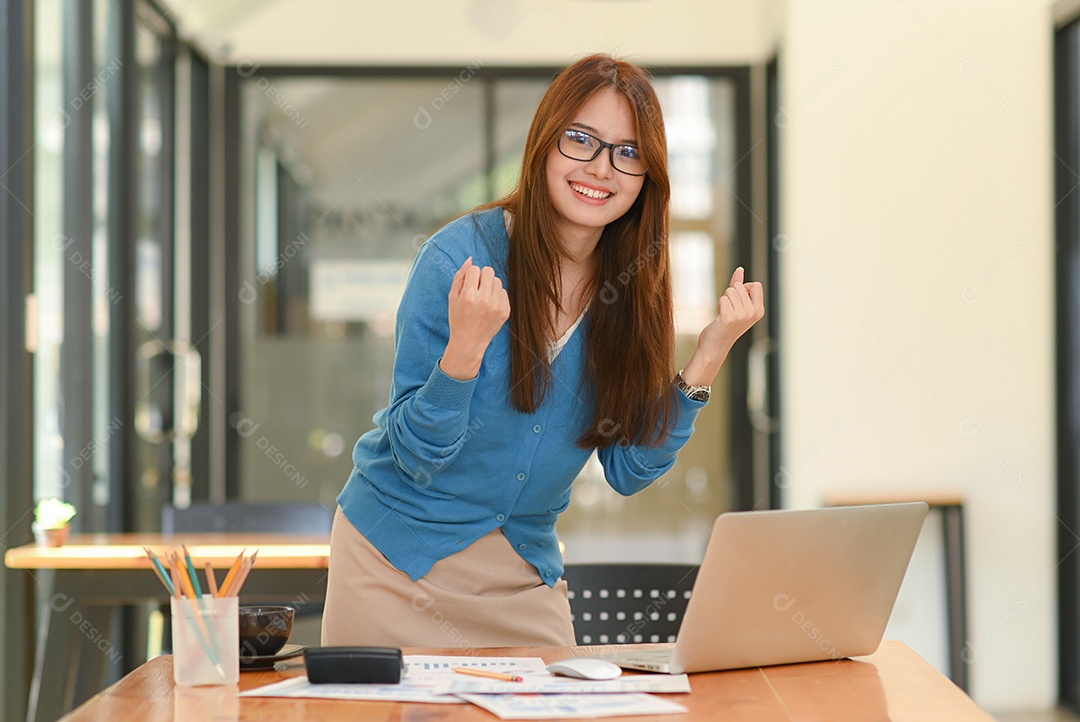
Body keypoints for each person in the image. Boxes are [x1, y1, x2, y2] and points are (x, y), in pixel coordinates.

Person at [322, 53, 764, 649]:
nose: (601, 168)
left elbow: (628, 472)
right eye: (581, 140)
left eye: (627, 152)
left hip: (522, 577)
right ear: (544, 143)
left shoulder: (633, 290)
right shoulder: (458, 259)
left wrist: (708, 356)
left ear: (647, 176)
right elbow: (415, 457)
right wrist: (465, 353)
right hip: (394, 563)